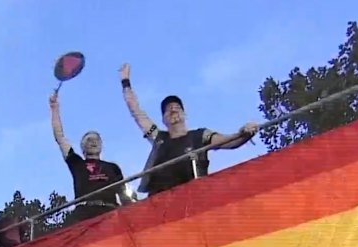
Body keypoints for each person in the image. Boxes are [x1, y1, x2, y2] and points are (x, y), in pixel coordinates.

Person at [118, 63, 259, 197]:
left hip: (193, 198)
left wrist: (245, 133)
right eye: (168, 110)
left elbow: (229, 142)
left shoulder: (200, 136)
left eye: (177, 108)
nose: (173, 109)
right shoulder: (158, 137)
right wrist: (125, 82)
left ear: (185, 114)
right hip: (159, 202)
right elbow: (136, 112)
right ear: (163, 120)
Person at [50, 91, 132, 223]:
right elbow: (59, 137)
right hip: (84, 215)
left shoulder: (113, 167)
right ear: (82, 147)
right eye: (89, 140)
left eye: (96, 140)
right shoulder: (77, 163)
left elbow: (124, 195)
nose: (93, 142)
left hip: (110, 214)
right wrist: (55, 109)